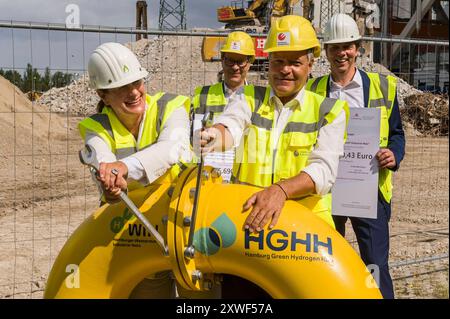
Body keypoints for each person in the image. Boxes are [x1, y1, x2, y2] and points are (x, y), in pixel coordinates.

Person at [197, 15, 349, 296]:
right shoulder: (249, 98)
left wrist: (280, 190)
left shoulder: (329, 110)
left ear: (311, 63)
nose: (285, 70)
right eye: (278, 61)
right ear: (269, 62)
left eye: (295, 62)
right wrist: (213, 136)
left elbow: (323, 172)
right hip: (248, 231)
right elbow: (231, 124)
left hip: (302, 238)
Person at [78, 42, 192, 298]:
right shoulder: (97, 127)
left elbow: (172, 149)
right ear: (103, 96)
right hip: (139, 232)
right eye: (121, 88)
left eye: (136, 82)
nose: (134, 92)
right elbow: (103, 165)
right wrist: (110, 186)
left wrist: (123, 168)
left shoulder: (170, 106)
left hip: (183, 222)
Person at [306, 13, 405, 299]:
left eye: (347, 46)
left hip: (368, 190)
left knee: (374, 265)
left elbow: (397, 134)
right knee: (325, 264)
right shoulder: (313, 91)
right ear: (326, 51)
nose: (342, 53)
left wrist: (393, 155)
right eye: (335, 47)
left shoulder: (382, 87)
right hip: (325, 191)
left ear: (358, 47)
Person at [192, 31, 257, 182]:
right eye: (230, 61)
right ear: (222, 60)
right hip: (207, 178)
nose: (235, 67)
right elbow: (192, 139)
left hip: (241, 180)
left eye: (241, 61)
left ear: (250, 62)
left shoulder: (257, 99)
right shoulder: (202, 95)